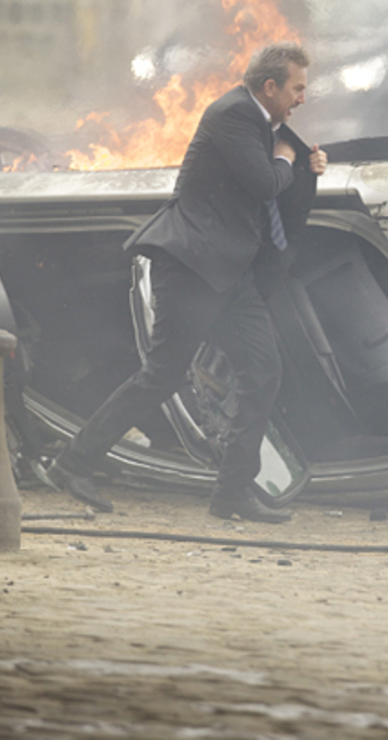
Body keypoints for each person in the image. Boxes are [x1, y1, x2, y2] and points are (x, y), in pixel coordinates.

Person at [46, 42, 328, 523]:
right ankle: (73, 463)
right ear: (270, 86)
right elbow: (264, 183)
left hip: (229, 274)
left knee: (263, 371)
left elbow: (274, 194)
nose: (303, 98)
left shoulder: (265, 124)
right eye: (298, 88)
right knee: (163, 374)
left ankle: (233, 492)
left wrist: (306, 168)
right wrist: (286, 160)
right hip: (193, 265)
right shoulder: (234, 113)